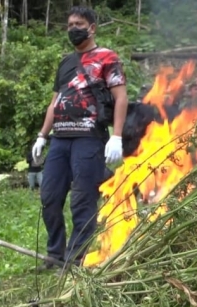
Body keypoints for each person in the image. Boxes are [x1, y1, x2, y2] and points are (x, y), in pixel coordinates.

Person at [31, 6, 127, 272]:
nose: (73, 28)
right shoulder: (65, 62)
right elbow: (55, 102)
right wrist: (42, 135)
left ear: (92, 28)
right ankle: (55, 253)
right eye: (70, 24)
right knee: (50, 196)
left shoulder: (108, 57)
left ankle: (75, 258)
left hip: (89, 138)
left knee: (83, 199)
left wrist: (116, 136)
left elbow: (121, 97)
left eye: (79, 23)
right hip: (60, 139)